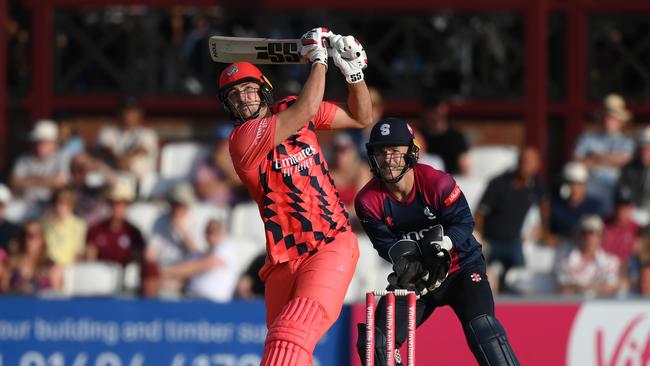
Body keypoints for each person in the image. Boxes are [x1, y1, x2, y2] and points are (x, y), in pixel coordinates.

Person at [220, 27, 372, 365]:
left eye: (248, 90)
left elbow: (362, 116)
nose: (244, 99)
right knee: (283, 347)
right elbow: (304, 110)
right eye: (235, 96)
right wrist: (319, 61)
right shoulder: (242, 141)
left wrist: (354, 74)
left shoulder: (293, 107)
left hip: (330, 244)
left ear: (264, 91)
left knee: (291, 335)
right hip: (283, 262)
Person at [354, 118, 519, 366]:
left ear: (411, 153)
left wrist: (444, 246)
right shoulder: (367, 201)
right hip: (417, 279)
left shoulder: (437, 183)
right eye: (381, 151)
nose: (388, 159)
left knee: (484, 331)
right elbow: (384, 245)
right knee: (376, 343)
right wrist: (407, 264)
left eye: (395, 151)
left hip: (460, 268)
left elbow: (464, 223)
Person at [474, 146, 549, 291]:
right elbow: (480, 213)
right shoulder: (498, 183)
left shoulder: (536, 185)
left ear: (537, 166)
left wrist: (544, 229)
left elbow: (545, 205)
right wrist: (480, 238)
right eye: (522, 160)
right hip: (490, 241)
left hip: (514, 243)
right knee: (479, 278)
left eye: (529, 162)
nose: (524, 164)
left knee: (521, 281)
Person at [573, 93, 634, 216]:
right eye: (606, 116)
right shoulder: (588, 137)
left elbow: (624, 160)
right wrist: (611, 160)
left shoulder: (626, 141)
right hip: (588, 190)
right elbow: (577, 160)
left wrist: (595, 157)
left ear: (620, 121)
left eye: (612, 117)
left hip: (614, 191)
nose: (608, 120)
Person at [160, 218, 239, 302]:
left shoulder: (226, 247)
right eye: (208, 230)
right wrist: (160, 280)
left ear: (223, 232)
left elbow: (200, 265)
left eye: (215, 230)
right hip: (192, 299)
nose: (211, 233)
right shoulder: (203, 254)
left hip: (212, 303)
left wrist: (166, 272)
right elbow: (184, 281)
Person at [556, 215, 621, 297]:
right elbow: (564, 288)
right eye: (584, 233)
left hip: (600, 307)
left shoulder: (611, 261)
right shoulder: (565, 258)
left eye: (593, 233)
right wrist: (596, 287)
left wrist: (582, 288)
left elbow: (611, 288)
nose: (588, 237)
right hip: (572, 306)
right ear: (579, 235)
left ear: (601, 236)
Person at [10, 119, 69, 203]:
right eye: (37, 141)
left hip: (50, 206)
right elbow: (14, 182)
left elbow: (61, 182)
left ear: (54, 143)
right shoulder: (23, 158)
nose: (39, 145)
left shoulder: (62, 157)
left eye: (44, 142)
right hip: (22, 203)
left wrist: (27, 180)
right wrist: (49, 180)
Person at [420, 95, 470, 175]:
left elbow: (464, 167)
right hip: (425, 180)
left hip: (451, 181)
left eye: (436, 108)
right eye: (429, 109)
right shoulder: (418, 136)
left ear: (444, 109)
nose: (433, 112)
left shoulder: (456, 137)